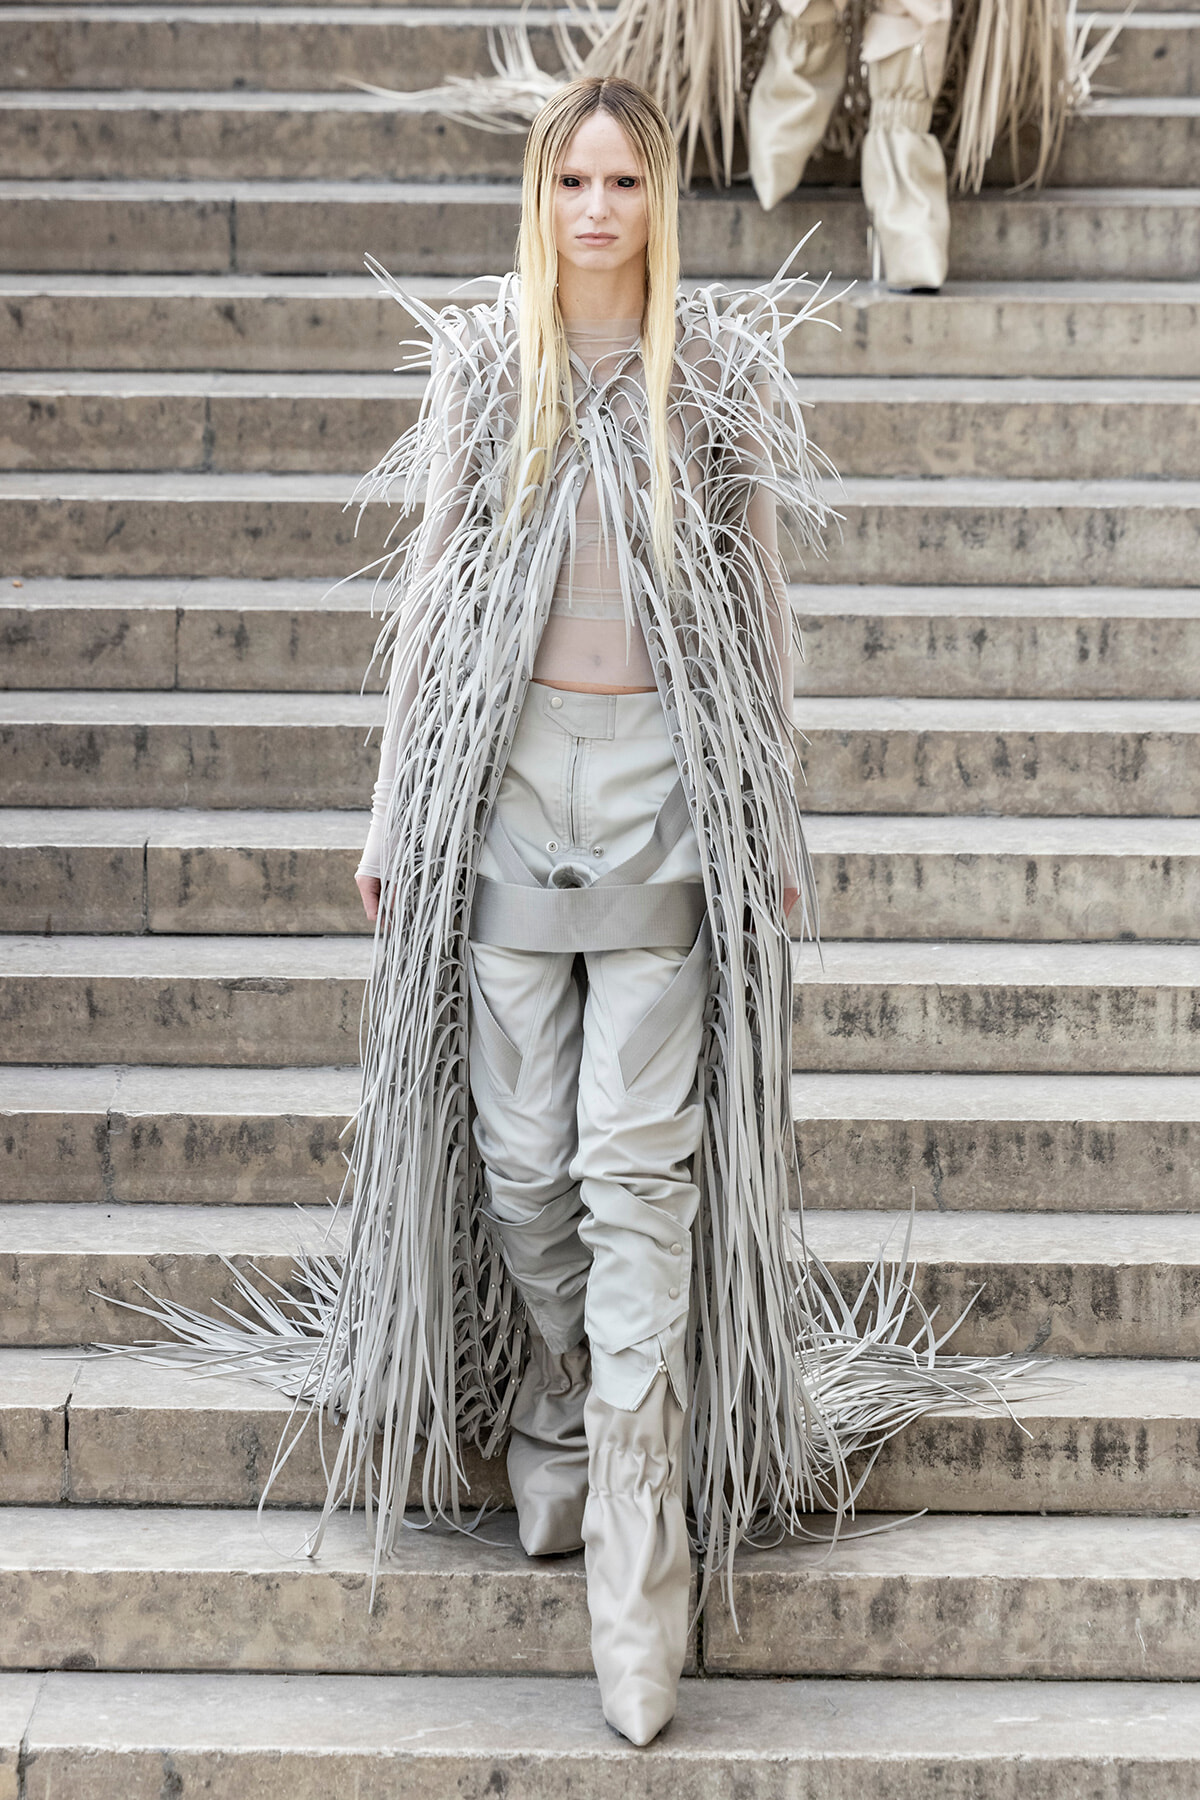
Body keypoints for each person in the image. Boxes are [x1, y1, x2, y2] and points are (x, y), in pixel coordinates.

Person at [115, 73, 1025, 1751]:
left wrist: (773, 814)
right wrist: (391, 811)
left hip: (667, 792)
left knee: (636, 1178)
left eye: (622, 181)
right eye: (571, 182)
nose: (596, 209)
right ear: (540, 200)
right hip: (515, 794)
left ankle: (635, 1561)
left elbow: (762, 611)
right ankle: (556, 1390)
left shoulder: (718, 378)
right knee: (528, 1159)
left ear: (657, 200)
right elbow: (430, 602)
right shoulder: (487, 371)